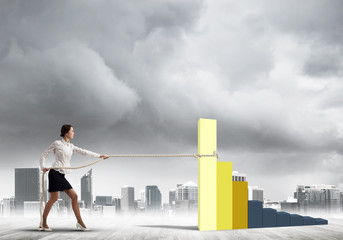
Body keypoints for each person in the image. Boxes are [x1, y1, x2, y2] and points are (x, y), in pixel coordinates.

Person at [39, 124, 109, 231]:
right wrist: (43, 167)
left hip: (61, 175)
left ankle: (79, 223)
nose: (74, 132)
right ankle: (44, 223)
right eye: (72, 131)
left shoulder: (71, 146)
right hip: (54, 173)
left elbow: (84, 152)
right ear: (66, 133)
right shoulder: (57, 143)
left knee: (74, 197)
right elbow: (44, 154)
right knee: (55, 198)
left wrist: (99, 156)